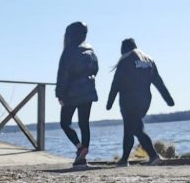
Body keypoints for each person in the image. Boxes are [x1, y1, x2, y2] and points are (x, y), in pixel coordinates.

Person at [107, 38, 174, 166]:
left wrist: (109, 103)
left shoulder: (125, 61)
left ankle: (153, 155)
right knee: (129, 128)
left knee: (135, 129)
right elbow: (159, 82)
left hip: (128, 100)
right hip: (144, 101)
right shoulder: (149, 61)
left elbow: (116, 84)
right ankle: (124, 159)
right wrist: (168, 99)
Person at [55, 21, 99, 168]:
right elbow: (95, 69)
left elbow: (63, 74)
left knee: (65, 123)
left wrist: (59, 94)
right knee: (84, 123)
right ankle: (82, 154)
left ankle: (80, 147)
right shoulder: (90, 50)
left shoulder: (69, 51)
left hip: (72, 93)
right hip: (88, 91)